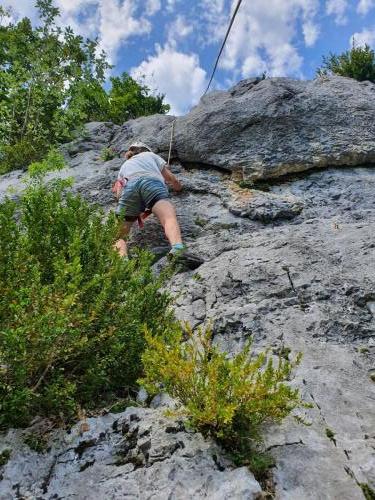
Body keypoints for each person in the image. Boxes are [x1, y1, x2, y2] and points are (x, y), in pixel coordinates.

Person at [114, 142, 202, 270]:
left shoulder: (124, 165)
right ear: (145, 149)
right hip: (151, 183)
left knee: (118, 236)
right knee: (168, 217)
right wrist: (178, 187)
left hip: (129, 190)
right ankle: (177, 249)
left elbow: (118, 194)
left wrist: (136, 208)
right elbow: (170, 177)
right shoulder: (150, 155)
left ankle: (122, 264)